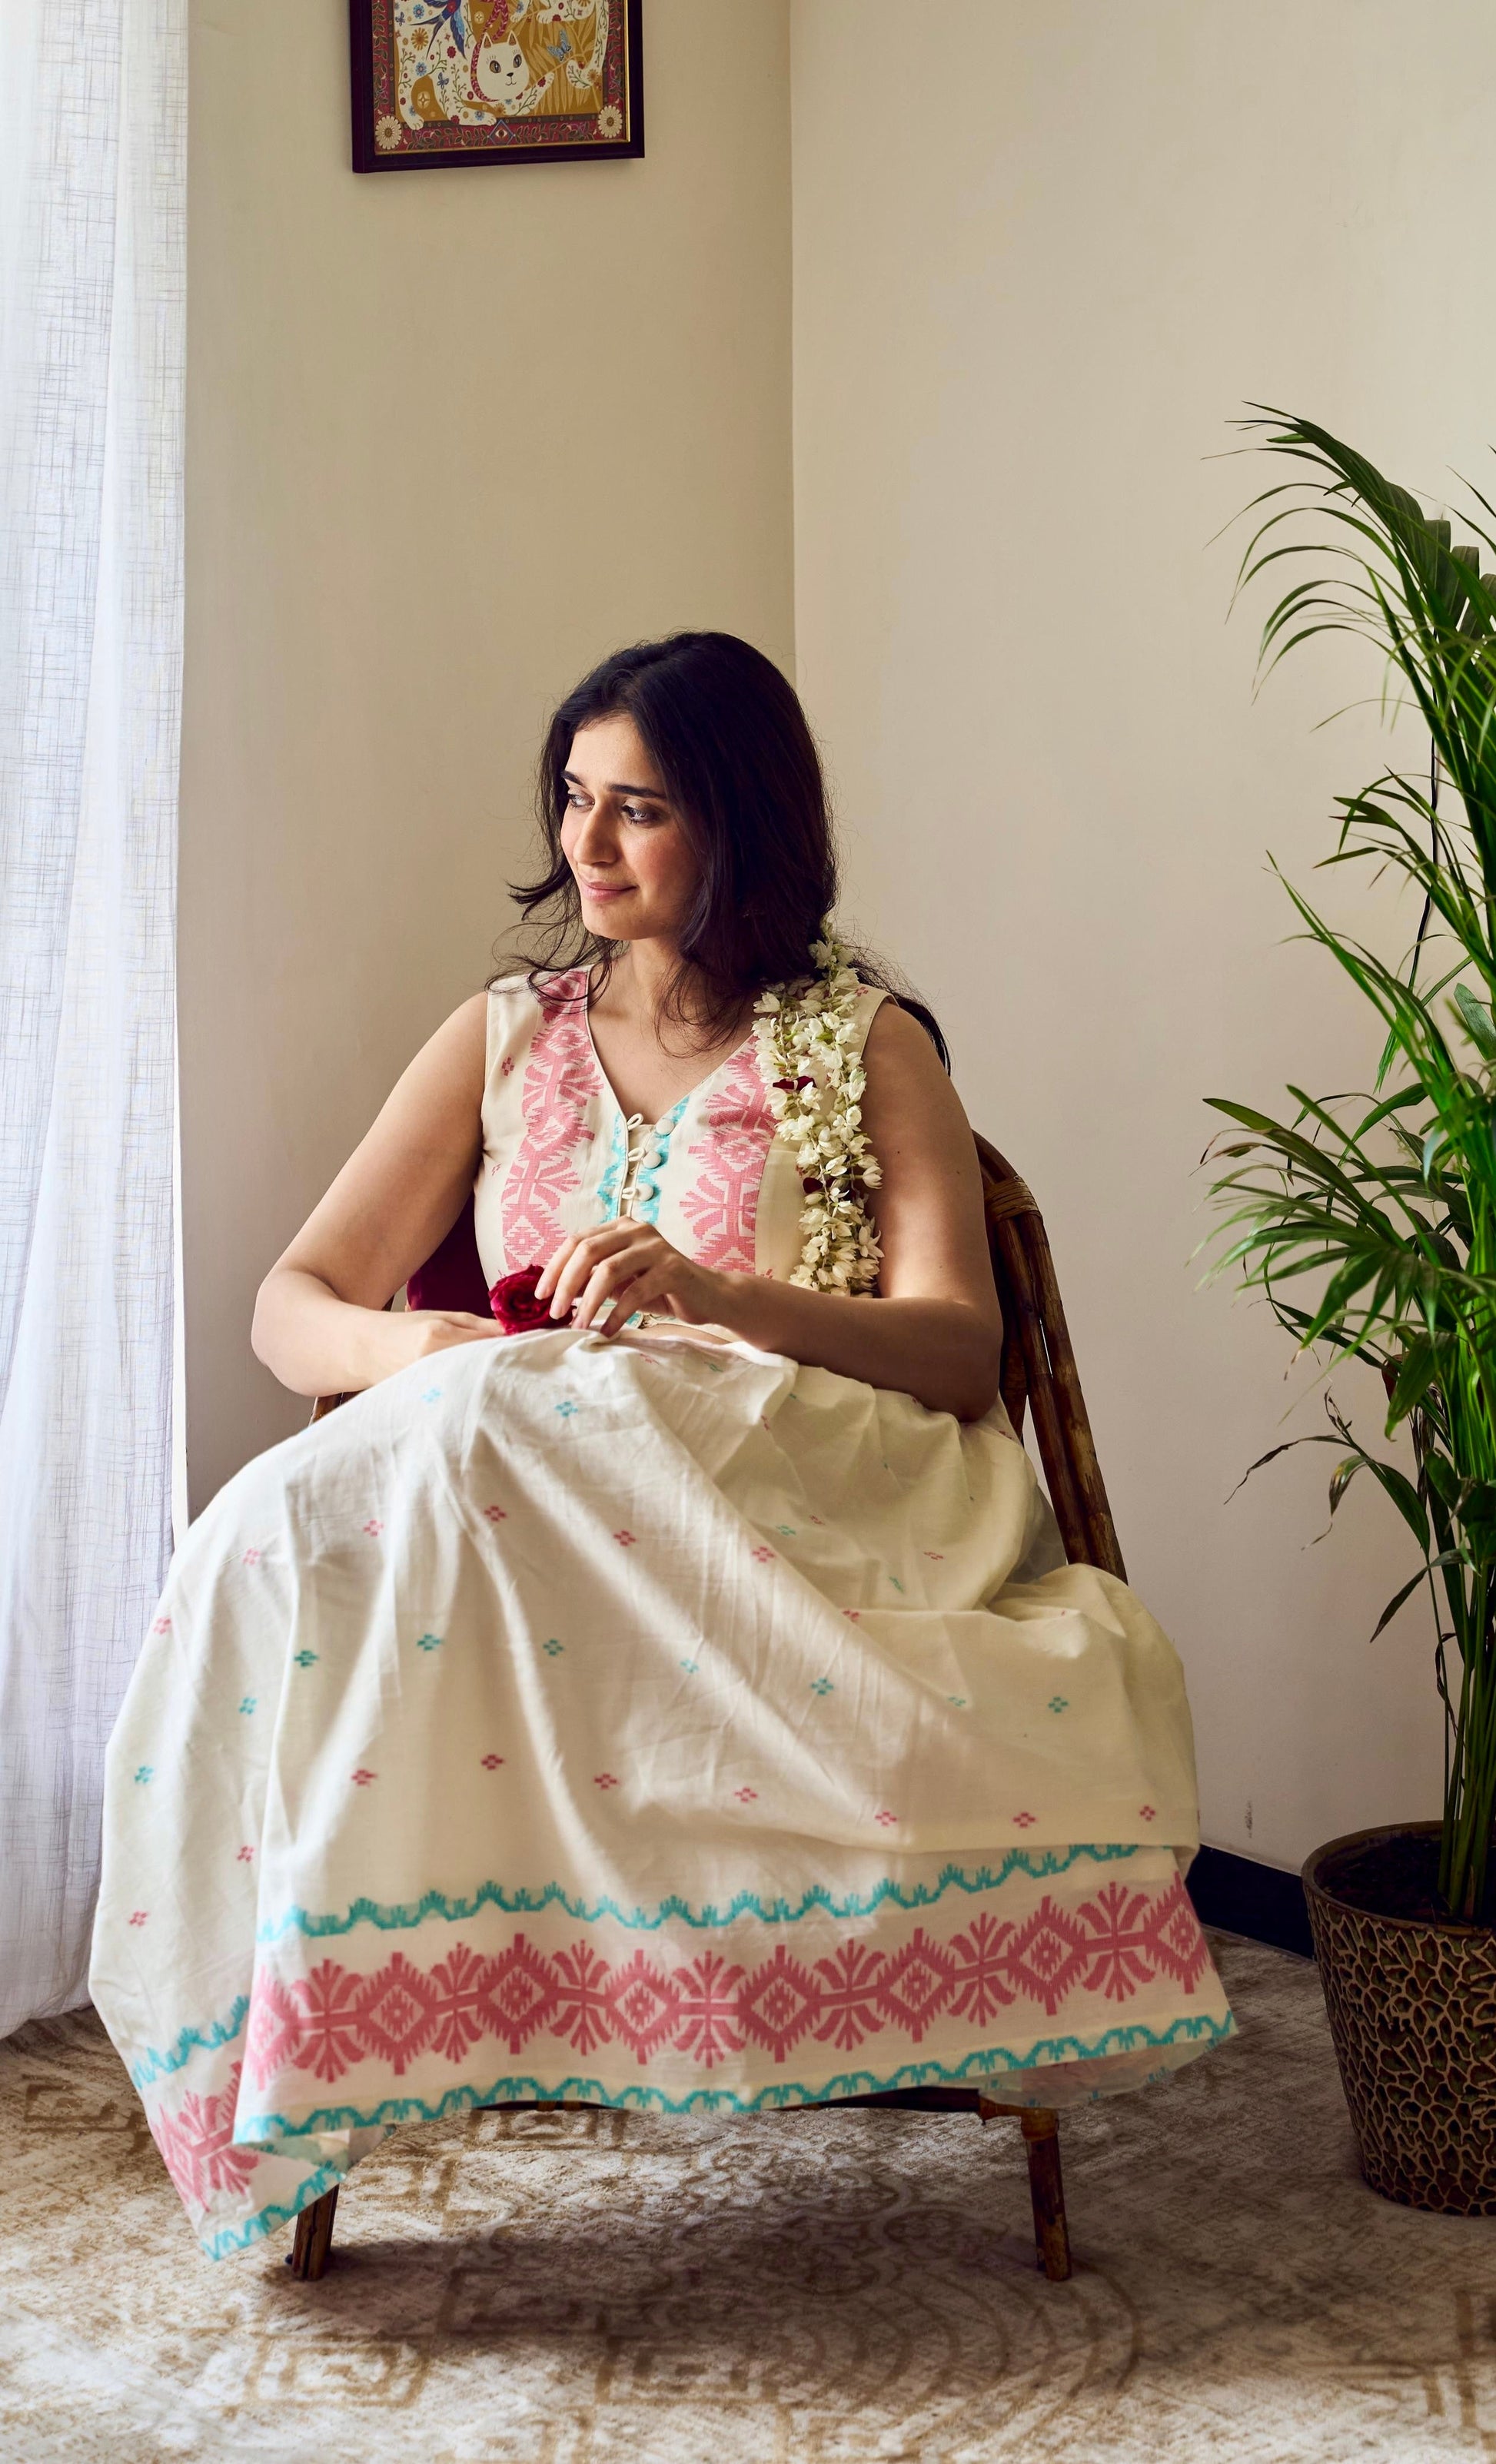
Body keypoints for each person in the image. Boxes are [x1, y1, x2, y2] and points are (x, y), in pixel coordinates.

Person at [91, 633, 1232, 2261]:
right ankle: (298, 2040)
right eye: (574, 798)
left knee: (502, 1429)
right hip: (519, 1469)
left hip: (805, 1490)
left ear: (742, 824)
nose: (587, 844)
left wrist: (718, 1293)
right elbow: (294, 1302)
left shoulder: (864, 1042)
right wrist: (418, 1351)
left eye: (640, 809)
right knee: (276, 1527)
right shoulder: (500, 1034)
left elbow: (960, 1349)